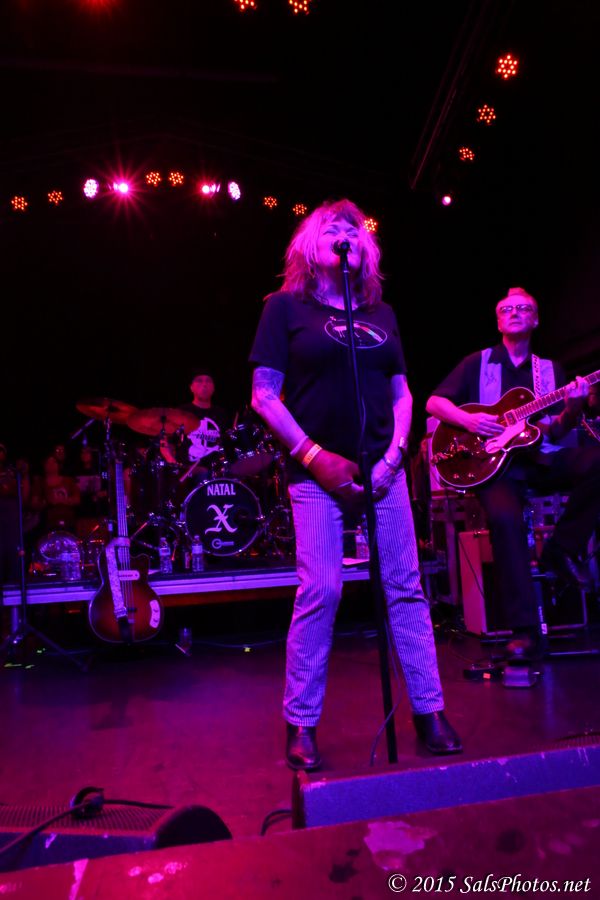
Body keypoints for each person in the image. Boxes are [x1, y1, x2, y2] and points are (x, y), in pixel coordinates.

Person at [249, 198, 461, 770]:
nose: (344, 233)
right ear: (309, 244)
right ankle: (301, 722)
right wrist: (314, 456)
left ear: (364, 248)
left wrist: (393, 457)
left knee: (405, 588)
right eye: (331, 228)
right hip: (317, 472)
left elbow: (402, 392)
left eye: (353, 228)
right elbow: (264, 395)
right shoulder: (284, 308)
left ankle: (429, 711)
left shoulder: (381, 313)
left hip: (382, 471)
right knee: (322, 590)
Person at [426, 286, 600, 659]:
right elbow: (434, 402)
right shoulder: (477, 362)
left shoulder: (549, 370)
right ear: (498, 320)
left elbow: (555, 429)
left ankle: (562, 550)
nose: (515, 312)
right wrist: (470, 421)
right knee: (505, 520)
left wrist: (573, 409)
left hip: (538, 459)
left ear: (535, 320)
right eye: (507, 308)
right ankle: (523, 632)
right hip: (493, 468)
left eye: (524, 308)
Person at [178, 373, 231, 467]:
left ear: (213, 388)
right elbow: (167, 442)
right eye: (199, 381)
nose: (204, 384)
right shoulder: (182, 412)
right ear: (191, 388)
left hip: (216, 468)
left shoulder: (222, 413)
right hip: (188, 469)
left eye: (208, 381)